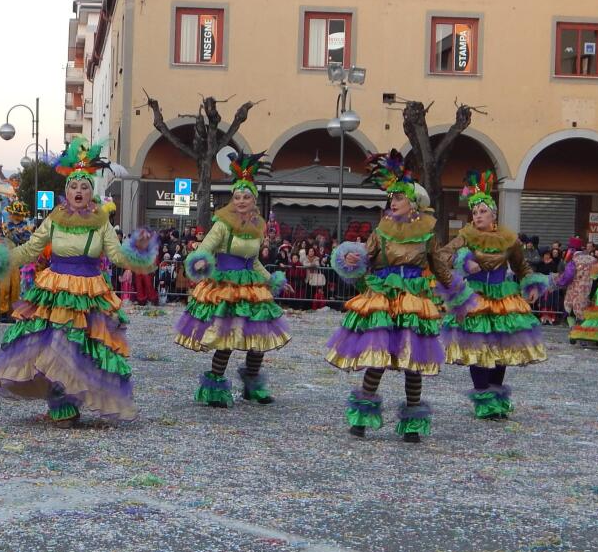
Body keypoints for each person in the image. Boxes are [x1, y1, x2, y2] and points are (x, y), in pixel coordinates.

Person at [0, 137, 157, 426]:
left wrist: (138, 254)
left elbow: (116, 254)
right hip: (56, 292)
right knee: (53, 347)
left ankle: (71, 400)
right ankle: (59, 402)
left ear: (91, 193)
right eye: (73, 186)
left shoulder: (101, 222)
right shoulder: (54, 218)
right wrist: (3, 259)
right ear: (66, 191)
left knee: (81, 350)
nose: (79, 190)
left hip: (88, 293)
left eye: (84, 187)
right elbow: (31, 249)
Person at [326, 150, 475, 443]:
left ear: (414, 204)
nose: (393, 202)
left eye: (399, 198)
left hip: (413, 303)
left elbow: (439, 267)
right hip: (384, 301)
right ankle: (361, 419)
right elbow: (365, 259)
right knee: (377, 359)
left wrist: (459, 296)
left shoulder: (427, 235)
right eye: (391, 198)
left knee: (413, 363)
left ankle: (412, 425)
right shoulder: (381, 231)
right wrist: (352, 261)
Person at [175, 153, 290, 407]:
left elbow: (254, 260)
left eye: (246, 197)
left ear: (254, 200)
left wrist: (272, 280)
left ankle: (252, 386)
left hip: (251, 286)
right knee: (226, 339)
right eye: (237, 196)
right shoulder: (223, 224)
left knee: (258, 337)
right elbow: (206, 247)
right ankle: (215, 387)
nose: (241, 201)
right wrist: (202, 261)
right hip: (226, 285)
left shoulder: (258, 226)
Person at [440, 171, 550, 421]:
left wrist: (531, 285)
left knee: (501, 349)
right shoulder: (466, 236)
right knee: (478, 348)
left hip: (503, 298)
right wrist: (465, 262)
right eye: (474, 212)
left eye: (481, 211)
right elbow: (443, 256)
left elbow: (522, 267)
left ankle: (497, 397)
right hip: (475, 297)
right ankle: (482, 399)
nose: (477, 216)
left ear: (493, 214)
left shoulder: (509, 239)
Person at [0, 201, 34, 322]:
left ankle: (13, 312)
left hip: (18, 261)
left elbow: (27, 243)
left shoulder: (27, 228)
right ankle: (3, 312)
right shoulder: (5, 226)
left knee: (16, 288)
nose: (16, 217)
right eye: (14, 214)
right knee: (4, 287)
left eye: (19, 214)